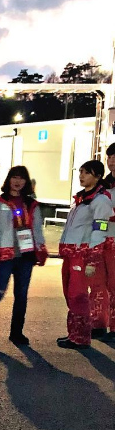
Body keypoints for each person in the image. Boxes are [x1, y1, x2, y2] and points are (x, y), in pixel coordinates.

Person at [0, 166, 48, 345]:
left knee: (21, 296)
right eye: (14, 177)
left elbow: (37, 229)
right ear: (9, 180)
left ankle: (16, 333)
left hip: (26, 256)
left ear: (26, 182)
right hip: (4, 255)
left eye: (21, 178)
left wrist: (41, 249)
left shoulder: (32, 204)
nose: (17, 181)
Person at [57, 160, 113, 350]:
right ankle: (74, 333)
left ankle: (81, 338)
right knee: (69, 294)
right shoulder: (81, 198)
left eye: (86, 173)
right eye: (80, 171)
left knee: (77, 296)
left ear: (97, 177)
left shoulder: (101, 201)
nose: (81, 176)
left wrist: (92, 260)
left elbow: (100, 230)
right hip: (70, 253)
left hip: (82, 254)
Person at [93, 142, 115, 339]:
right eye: (109, 157)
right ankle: (98, 323)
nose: (112, 162)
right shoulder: (102, 186)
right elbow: (98, 218)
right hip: (102, 241)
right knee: (98, 284)